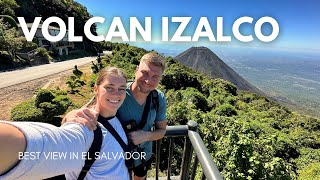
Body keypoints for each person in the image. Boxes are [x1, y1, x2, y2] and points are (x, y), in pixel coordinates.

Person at [0, 67, 130, 180]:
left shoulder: (118, 116)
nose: (116, 94)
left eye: (122, 89)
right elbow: (47, 145)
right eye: (109, 88)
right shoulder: (86, 126)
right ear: (96, 89)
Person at [64, 52, 167, 180]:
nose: (148, 81)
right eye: (144, 73)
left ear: (160, 78)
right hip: (116, 156)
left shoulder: (158, 98)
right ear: (136, 70)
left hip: (142, 155)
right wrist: (70, 116)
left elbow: (162, 130)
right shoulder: (119, 91)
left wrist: (145, 136)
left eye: (155, 77)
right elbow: (92, 107)